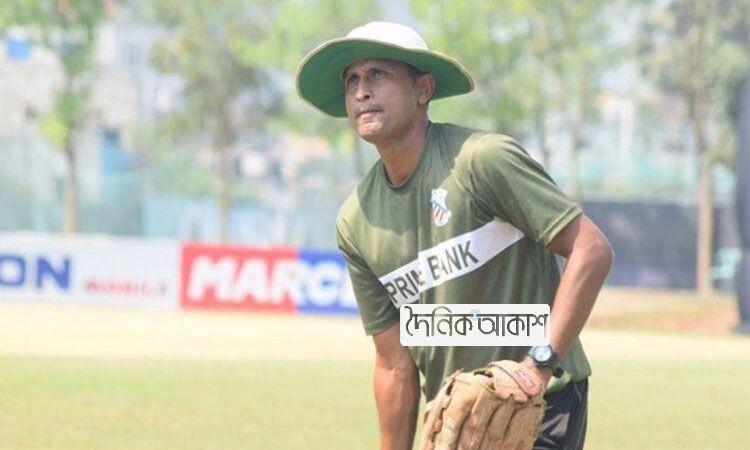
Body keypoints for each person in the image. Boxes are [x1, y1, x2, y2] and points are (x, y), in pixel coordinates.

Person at [296, 21, 613, 450]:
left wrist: (537, 365)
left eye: (377, 75)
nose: (361, 92)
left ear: (423, 88)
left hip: (542, 401)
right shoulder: (356, 220)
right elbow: (393, 365)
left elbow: (591, 249)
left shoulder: (483, 160)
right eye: (351, 80)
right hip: (456, 420)